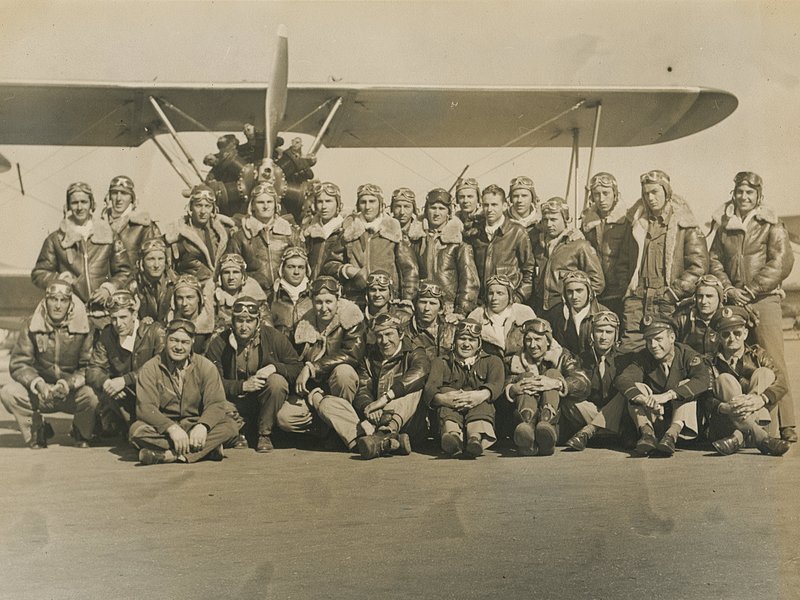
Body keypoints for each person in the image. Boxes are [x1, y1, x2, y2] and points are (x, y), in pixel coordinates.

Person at [708, 171, 796, 443]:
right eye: (739, 192)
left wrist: (752, 289)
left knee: (773, 359)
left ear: (759, 196)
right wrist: (729, 289)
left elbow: (781, 261)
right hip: (734, 299)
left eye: (749, 192)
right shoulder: (724, 226)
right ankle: (745, 420)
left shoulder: (772, 224)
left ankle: (787, 423)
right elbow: (714, 259)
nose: (744, 197)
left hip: (764, 298)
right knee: (737, 357)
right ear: (733, 194)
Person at [0, 281, 98, 448]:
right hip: (41, 393)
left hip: (70, 392)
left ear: (70, 304)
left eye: (63, 300)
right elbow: (20, 363)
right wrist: (38, 383)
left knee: (92, 395)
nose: (58, 306)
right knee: (9, 392)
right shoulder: (31, 324)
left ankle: (81, 430)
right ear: (46, 301)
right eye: (53, 299)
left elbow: (88, 366)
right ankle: (37, 429)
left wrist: (67, 384)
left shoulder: (85, 327)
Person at [130, 319, 240, 465]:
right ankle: (206, 450)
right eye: (174, 340)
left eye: (184, 342)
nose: (178, 347)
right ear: (165, 339)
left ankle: (170, 455)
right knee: (137, 431)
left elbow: (216, 403)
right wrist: (171, 428)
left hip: (195, 424)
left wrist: (203, 426)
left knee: (230, 427)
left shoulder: (206, 367)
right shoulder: (150, 368)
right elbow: (145, 408)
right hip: (165, 429)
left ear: (192, 342)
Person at [620, 170, 708, 352]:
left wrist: (673, 294)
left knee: (668, 352)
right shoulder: (636, 225)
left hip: (668, 299)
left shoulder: (685, 224)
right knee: (629, 353)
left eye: (655, 192)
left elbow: (699, 266)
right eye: (646, 193)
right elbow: (623, 262)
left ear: (666, 192)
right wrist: (628, 290)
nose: (650, 198)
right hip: (637, 300)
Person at [275, 276, 366, 446]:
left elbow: (352, 355)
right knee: (284, 418)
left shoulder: (352, 318)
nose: (324, 308)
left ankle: (342, 432)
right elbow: (294, 361)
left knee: (344, 372)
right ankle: (327, 430)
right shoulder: (304, 324)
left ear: (338, 299)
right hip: (313, 391)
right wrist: (312, 392)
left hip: (339, 388)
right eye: (318, 302)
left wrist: (312, 368)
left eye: (329, 302)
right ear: (312, 301)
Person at [205, 297, 303, 453]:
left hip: (264, 401)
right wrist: (242, 386)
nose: (244, 327)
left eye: (249, 321)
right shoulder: (220, 342)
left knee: (277, 382)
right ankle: (239, 432)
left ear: (258, 322)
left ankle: (265, 434)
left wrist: (274, 367)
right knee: (217, 407)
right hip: (234, 401)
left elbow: (297, 368)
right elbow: (211, 381)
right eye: (240, 321)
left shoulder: (274, 337)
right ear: (232, 322)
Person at [32, 181, 132, 319]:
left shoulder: (109, 235)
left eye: (84, 202)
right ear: (68, 206)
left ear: (91, 204)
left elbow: (125, 271)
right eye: (74, 203)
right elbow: (39, 273)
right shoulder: (56, 239)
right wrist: (60, 280)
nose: (79, 207)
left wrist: (108, 289)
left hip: (105, 315)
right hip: (71, 316)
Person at [616, 316, 712, 457]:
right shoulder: (644, 357)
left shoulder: (687, 355)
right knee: (637, 389)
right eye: (649, 340)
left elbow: (702, 379)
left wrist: (668, 395)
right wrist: (643, 399)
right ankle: (647, 434)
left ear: (672, 338)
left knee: (685, 386)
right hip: (656, 417)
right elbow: (623, 379)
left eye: (658, 339)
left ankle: (671, 436)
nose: (653, 345)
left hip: (684, 425)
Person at [705, 306, 791, 456]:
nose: (732, 338)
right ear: (719, 337)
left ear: (745, 334)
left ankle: (739, 436)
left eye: (737, 333)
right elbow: (704, 396)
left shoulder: (758, 355)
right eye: (726, 334)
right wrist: (725, 407)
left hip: (755, 427)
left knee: (764, 373)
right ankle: (761, 438)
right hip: (727, 428)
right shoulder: (710, 362)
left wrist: (761, 399)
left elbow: (782, 382)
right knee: (724, 380)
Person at [340, 313, 428, 459]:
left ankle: (382, 435)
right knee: (328, 403)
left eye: (389, 334)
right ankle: (386, 443)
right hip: (376, 418)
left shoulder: (414, 350)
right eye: (379, 336)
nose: (384, 341)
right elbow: (363, 387)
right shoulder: (369, 355)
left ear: (400, 334)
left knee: (415, 387)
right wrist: (369, 407)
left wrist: (385, 399)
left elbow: (421, 371)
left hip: (407, 421)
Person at [322, 183, 419, 307]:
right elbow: (330, 265)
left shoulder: (393, 230)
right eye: (363, 202)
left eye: (372, 201)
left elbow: (409, 270)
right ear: (358, 205)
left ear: (380, 204)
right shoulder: (349, 230)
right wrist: (348, 270)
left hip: (387, 300)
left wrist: (407, 300)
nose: (367, 207)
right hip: (355, 299)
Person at [504, 318, 589, 456]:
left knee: (552, 373)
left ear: (548, 341)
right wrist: (512, 389)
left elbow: (582, 382)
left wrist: (557, 384)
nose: (532, 345)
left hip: (558, 422)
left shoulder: (563, 357)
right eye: (528, 340)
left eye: (538, 339)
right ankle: (527, 426)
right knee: (525, 377)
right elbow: (502, 384)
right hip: (522, 421)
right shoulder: (514, 361)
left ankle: (547, 423)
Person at [422, 319, 505, 458]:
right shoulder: (441, 362)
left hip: (480, 410)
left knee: (484, 403)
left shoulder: (492, 361)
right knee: (445, 399)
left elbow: (497, 385)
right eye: (462, 339)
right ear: (454, 342)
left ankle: (475, 439)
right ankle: (452, 437)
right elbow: (430, 389)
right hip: (450, 410)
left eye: (471, 340)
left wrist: (480, 395)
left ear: (479, 343)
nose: (466, 344)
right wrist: (443, 398)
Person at [86, 290, 165, 434]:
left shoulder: (154, 332)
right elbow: (93, 368)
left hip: (154, 397)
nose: (118, 324)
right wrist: (108, 384)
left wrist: (124, 380)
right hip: (124, 397)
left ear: (134, 315)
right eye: (113, 318)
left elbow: (161, 366)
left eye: (123, 317)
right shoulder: (107, 334)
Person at [564, 311, 634, 451]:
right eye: (599, 331)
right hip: (592, 410)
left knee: (624, 393)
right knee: (569, 401)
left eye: (609, 332)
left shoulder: (625, 358)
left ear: (616, 335)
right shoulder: (581, 359)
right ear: (591, 334)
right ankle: (613, 432)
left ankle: (590, 431)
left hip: (619, 411)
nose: (603, 337)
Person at [408, 188, 480, 318]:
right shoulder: (416, 241)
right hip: (422, 306)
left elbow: (470, 282)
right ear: (426, 210)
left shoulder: (458, 244)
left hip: (448, 309)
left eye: (441, 209)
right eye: (433, 208)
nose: (436, 213)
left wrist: (460, 312)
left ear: (449, 212)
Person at [532, 196, 605, 314]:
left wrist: (578, 304)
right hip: (541, 309)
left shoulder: (579, 245)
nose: (549, 224)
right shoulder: (538, 245)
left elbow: (597, 282)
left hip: (567, 310)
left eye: (554, 219)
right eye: (545, 220)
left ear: (565, 219)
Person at [227, 181, 302, 294]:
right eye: (260, 202)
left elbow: (302, 266)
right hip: (253, 294)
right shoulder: (240, 237)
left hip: (285, 294)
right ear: (252, 206)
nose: (266, 206)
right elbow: (231, 268)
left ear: (275, 205)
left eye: (269, 202)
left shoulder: (290, 234)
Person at [466, 184, 535, 304]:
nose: (489, 209)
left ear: (504, 206)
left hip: (509, 303)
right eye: (486, 205)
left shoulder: (517, 232)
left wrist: (518, 298)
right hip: (481, 302)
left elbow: (529, 271)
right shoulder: (475, 233)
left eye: (494, 205)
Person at [580, 172, 634, 316]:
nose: (601, 199)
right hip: (595, 291)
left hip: (620, 291)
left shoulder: (627, 221)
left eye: (606, 193)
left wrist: (625, 288)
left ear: (615, 194)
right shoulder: (587, 222)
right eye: (597, 194)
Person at [164, 183, 234, 284]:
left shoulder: (223, 232)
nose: (203, 211)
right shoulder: (178, 235)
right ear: (190, 207)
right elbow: (168, 269)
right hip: (192, 288)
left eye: (207, 206)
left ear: (213, 209)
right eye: (198, 205)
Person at [543, 269, 609, 356]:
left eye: (579, 291)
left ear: (589, 291)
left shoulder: (603, 313)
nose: (574, 296)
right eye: (570, 292)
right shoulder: (556, 314)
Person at [100, 175, 160, 265]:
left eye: (124, 193)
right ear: (109, 197)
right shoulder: (100, 224)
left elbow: (153, 262)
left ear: (132, 198)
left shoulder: (143, 227)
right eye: (115, 193)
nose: (119, 198)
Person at [212, 253, 267, 332]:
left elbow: (266, 323)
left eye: (235, 272)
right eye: (226, 272)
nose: (231, 277)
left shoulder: (254, 292)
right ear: (220, 277)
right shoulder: (212, 294)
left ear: (243, 276)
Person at [269, 245, 314, 340]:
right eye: (291, 267)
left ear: (306, 270)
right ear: (282, 269)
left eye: (301, 267)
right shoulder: (272, 296)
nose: (296, 272)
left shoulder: (314, 294)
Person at [301, 181, 345, 279]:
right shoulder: (307, 231)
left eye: (329, 201)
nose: (324, 206)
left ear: (338, 204)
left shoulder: (345, 231)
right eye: (320, 202)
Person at [673, 274, 724, 357]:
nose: (703, 301)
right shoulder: (683, 321)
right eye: (700, 296)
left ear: (719, 299)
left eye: (709, 296)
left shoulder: (726, 321)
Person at [406, 280, 458, 360]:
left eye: (432, 303)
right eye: (423, 302)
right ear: (415, 305)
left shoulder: (452, 330)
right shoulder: (406, 331)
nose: (427, 308)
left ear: (441, 308)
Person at [130, 237, 175, 324]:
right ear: (141, 262)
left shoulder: (174, 283)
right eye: (151, 259)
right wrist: (139, 322)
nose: (156, 265)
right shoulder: (133, 286)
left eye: (160, 259)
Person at [170, 274, 215, 354]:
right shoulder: (169, 324)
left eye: (189, 297)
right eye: (180, 298)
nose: (184, 303)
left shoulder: (211, 331)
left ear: (199, 298)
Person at [363, 270, 412, 335]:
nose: (377, 294)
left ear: (390, 292)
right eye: (373, 290)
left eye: (382, 290)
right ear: (367, 292)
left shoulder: (403, 318)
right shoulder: (359, 317)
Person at [506, 175, 540, 240]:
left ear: (532, 198)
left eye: (524, 196)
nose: (519, 200)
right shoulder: (503, 221)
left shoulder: (541, 222)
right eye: (515, 196)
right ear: (511, 199)